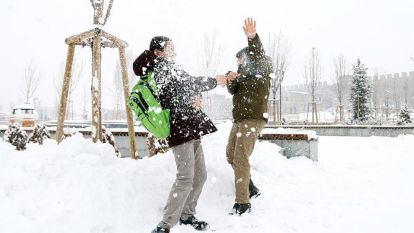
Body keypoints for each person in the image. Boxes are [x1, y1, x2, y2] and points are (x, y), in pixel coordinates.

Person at [133, 36, 227, 233]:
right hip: (179, 128)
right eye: (169, 47)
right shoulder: (160, 67)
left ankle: (187, 214)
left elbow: (184, 89)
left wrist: (196, 98)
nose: (174, 49)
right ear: (158, 52)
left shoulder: (171, 66)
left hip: (191, 125)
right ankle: (165, 224)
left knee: (200, 176)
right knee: (185, 177)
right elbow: (188, 83)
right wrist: (214, 81)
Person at [225, 18, 273, 215]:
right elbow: (232, 90)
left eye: (240, 59)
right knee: (231, 155)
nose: (238, 62)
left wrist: (252, 37)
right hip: (240, 120)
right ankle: (250, 187)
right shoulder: (242, 75)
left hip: (252, 118)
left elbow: (258, 53)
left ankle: (243, 203)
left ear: (248, 57)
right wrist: (230, 78)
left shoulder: (261, 66)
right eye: (237, 60)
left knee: (240, 158)